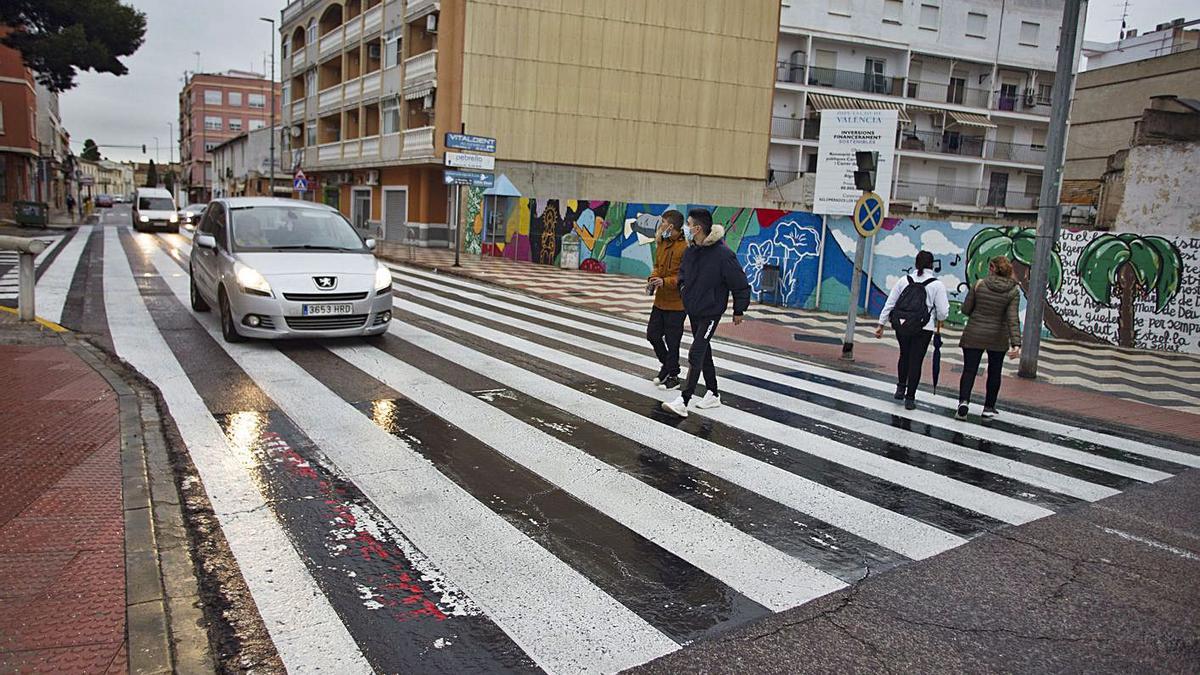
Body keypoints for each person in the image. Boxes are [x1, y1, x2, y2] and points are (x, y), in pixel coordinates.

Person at [662, 208, 751, 418]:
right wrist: (684, 291)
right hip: (693, 309)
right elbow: (683, 274)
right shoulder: (692, 250)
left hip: (711, 311)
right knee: (704, 352)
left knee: (696, 352)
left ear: (698, 228)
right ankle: (713, 392)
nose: (686, 228)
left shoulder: (724, 255)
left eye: (689, 224)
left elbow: (740, 284)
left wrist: (739, 309)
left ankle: (684, 400)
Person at [875, 250, 950, 410]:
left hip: (902, 325)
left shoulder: (904, 280)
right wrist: (939, 318)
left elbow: (891, 302)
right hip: (923, 327)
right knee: (916, 360)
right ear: (932, 265)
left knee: (904, 354)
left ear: (916, 264)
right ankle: (910, 397)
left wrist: (881, 324)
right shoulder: (937, 285)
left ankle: (900, 388)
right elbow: (943, 312)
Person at [955, 255, 1021, 419]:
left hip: (974, 333)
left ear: (992, 268)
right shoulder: (1013, 291)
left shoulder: (979, 285)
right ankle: (988, 407)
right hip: (997, 336)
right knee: (994, 371)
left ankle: (964, 402)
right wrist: (1016, 343)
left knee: (969, 370)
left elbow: (965, 309)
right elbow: (1013, 318)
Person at [646, 209, 689, 390]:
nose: (660, 225)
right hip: (660, 300)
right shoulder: (662, 242)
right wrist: (653, 279)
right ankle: (669, 367)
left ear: (670, 226)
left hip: (677, 303)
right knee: (652, 335)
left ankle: (673, 376)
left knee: (673, 341)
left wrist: (665, 281)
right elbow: (657, 265)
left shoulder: (685, 247)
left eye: (662, 222)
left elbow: (684, 276)